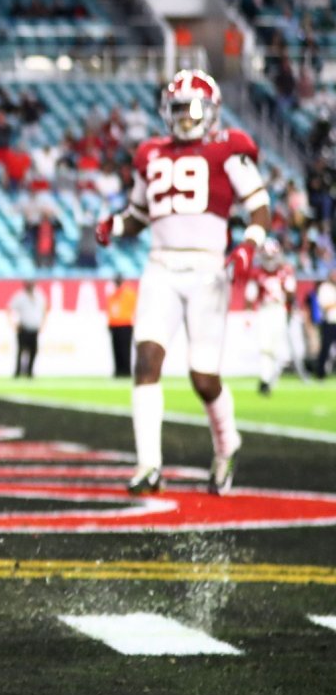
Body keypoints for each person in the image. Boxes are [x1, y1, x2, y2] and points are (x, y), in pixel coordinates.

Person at [96, 70, 272, 495]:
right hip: (160, 267)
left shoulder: (228, 148)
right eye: (179, 109)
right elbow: (139, 215)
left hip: (209, 269)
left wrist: (249, 244)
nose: (186, 118)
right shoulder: (150, 153)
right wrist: (116, 225)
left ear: (210, 111)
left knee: (203, 378)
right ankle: (148, 466)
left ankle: (227, 443)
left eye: (193, 109)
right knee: (146, 361)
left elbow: (260, 205)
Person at [246, 239, 303, 394]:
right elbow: (251, 295)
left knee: (277, 347)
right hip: (264, 310)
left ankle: (271, 377)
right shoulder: (257, 273)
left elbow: (291, 294)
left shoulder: (285, 271)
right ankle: (265, 379)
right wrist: (250, 315)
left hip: (279, 310)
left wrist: (290, 311)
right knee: (264, 346)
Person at [7, 279, 46, 378]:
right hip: (23, 328)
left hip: (35, 328)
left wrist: (43, 324)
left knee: (33, 351)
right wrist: (13, 324)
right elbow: (9, 308)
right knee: (21, 351)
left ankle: (30, 372)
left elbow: (44, 310)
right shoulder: (20, 297)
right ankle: (18, 372)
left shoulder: (39, 296)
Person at [106, 275, 137, 378]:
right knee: (116, 349)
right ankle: (118, 371)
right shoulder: (114, 294)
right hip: (115, 325)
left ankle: (126, 371)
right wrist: (109, 323)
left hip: (126, 324)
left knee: (125, 350)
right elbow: (111, 310)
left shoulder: (128, 293)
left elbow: (134, 307)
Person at [317, 269, 336, 380]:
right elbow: (325, 305)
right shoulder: (325, 288)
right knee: (325, 348)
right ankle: (320, 373)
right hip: (330, 322)